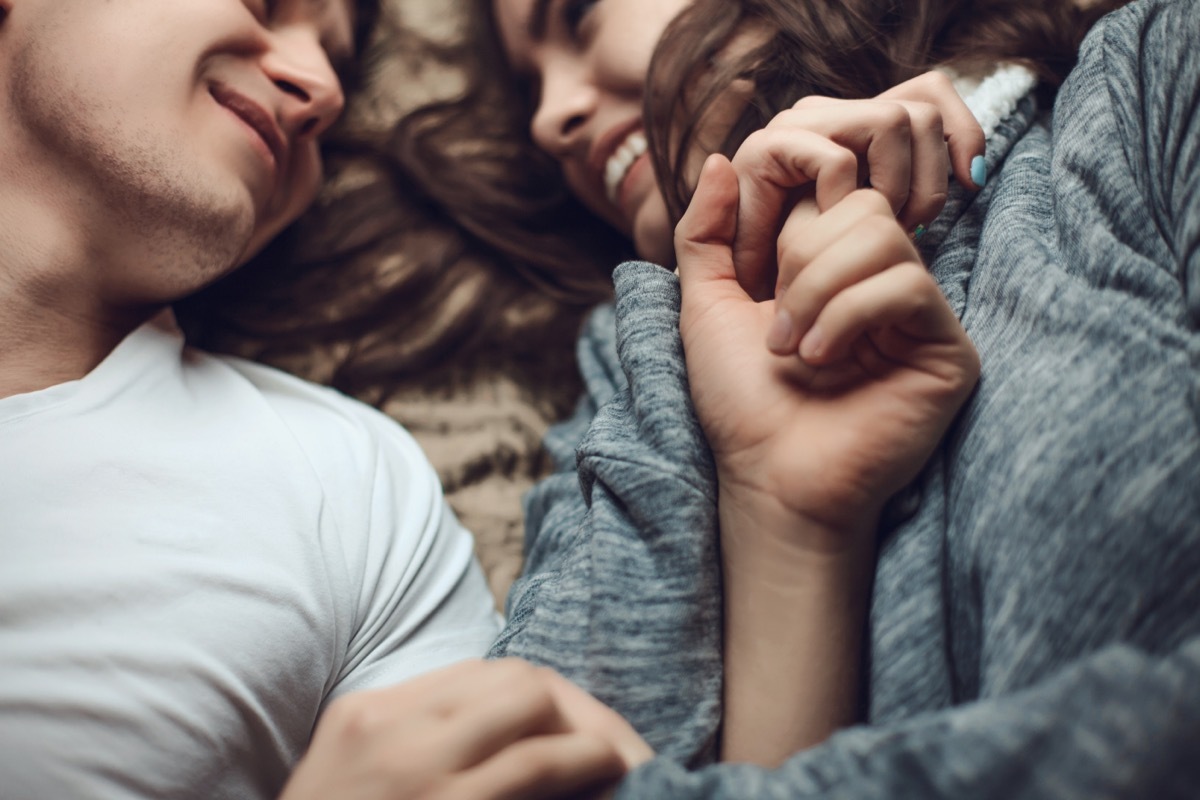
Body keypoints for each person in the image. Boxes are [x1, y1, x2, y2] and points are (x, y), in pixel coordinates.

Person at [0, 1, 978, 798]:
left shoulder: (351, 487)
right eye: (265, 2)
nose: (324, 91)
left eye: (336, 63)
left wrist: (789, 522)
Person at [381, 0, 1200, 795]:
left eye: (581, 14)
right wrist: (788, 524)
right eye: (530, 88)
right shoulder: (631, 370)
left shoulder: (1149, 83)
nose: (548, 119)